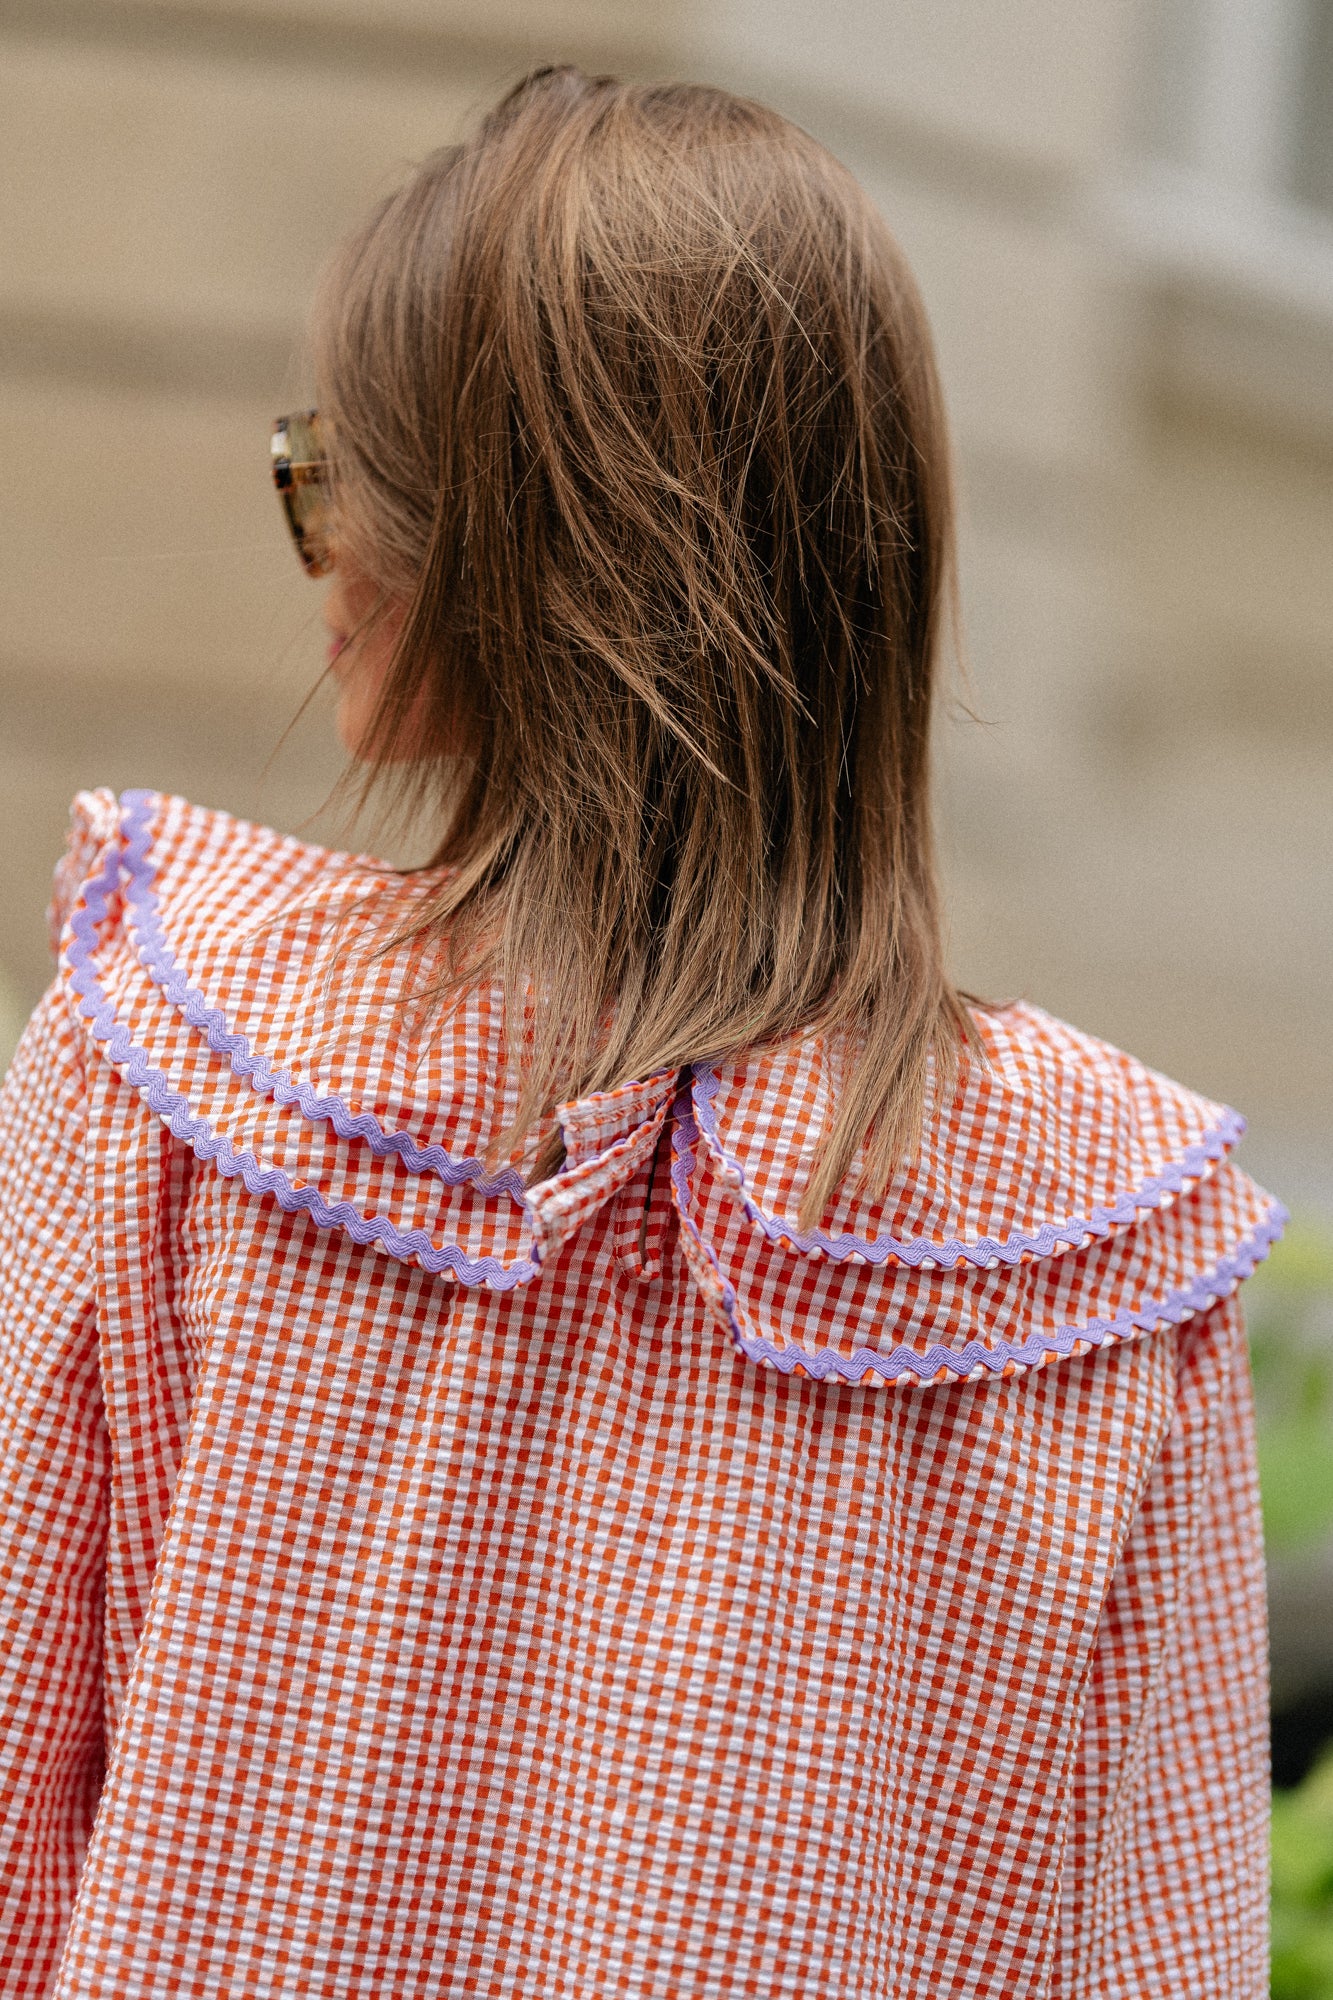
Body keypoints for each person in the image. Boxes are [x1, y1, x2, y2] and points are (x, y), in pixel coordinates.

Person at [0, 66, 1284, 2000]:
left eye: (336, 463)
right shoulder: (1099, 1256)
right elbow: (1150, 1954)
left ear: (503, 553)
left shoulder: (183, 1068)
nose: (315, 526)